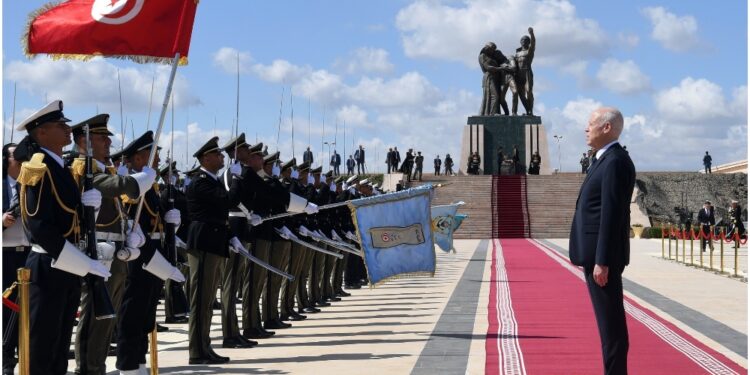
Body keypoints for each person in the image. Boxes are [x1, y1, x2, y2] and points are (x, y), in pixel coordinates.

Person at [12, 100, 110, 375]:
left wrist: (91, 207)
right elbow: (40, 227)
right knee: (42, 347)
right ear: (41, 133)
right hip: (49, 265)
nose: (68, 130)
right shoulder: (37, 167)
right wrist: (80, 262)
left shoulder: (60, 167)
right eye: (60, 125)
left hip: (65, 266)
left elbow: (70, 218)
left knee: (58, 346)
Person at [70, 115, 157, 375]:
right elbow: (111, 187)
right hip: (98, 251)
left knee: (108, 316)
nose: (109, 141)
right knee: (96, 315)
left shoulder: (102, 167)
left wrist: (131, 230)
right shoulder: (82, 167)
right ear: (83, 141)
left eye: (107, 137)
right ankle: (88, 368)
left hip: (113, 251)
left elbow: (117, 206)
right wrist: (138, 181)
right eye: (101, 137)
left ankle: (95, 365)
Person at [569, 107, 634, 375]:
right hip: (596, 254)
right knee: (608, 325)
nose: (586, 128)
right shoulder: (602, 160)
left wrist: (603, 260)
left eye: (591, 123)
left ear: (607, 128)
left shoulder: (616, 161)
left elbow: (612, 212)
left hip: (602, 259)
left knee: (612, 327)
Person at [117, 131, 184, 374]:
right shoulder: (134, 187)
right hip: (139, 255)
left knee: (146, 311)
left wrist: (171, 222)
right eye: (152, 154)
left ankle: (140, 361)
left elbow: (155, 220)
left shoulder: (152, 187)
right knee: (133, 311)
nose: (158, 159)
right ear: (137, 160)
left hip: (155, 250)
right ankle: (127, 364)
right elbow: (128, 218)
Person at [2, 142, 29, 375]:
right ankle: (6, 359)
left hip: (29, 254)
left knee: (29, 309)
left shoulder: (30, 186)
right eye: (15, 155)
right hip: (6, 254)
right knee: (8, 310)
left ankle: (27, 355)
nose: (20, 159)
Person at [513, 27, 535, 116]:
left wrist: (532, 34)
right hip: (518, 75)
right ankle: (528, 110)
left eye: (526, 40)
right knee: (521, 95)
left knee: (529, 91)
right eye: (522, 40)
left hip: (527, 73)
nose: (523, 41)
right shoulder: (517, 53)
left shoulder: (530, 51)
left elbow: (533, 43)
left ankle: (530, 110)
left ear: (528, 42)